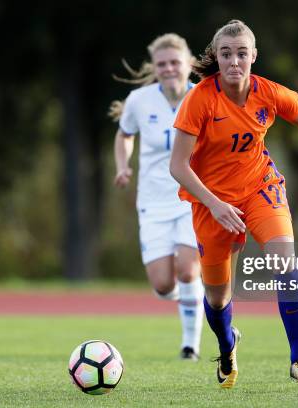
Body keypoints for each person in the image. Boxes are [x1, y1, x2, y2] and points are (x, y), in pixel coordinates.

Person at [169, 20, 298, 389]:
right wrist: (213, 203)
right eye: (226, 53)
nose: (234, 61)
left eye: (242, 53)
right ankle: (227, 348)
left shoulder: (270, 92)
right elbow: (177, 166)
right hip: (211, 203)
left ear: (253, 56)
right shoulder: (199, 100)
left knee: (285, 266)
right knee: (216, 298)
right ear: (218, 56)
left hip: (261, 188)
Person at [109, 33, 204, 361]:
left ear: (189, 63)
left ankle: (190, 345)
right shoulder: (139, 100)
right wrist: (122, 166)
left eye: (174, 62)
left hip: (193, 198)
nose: (168, 68)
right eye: (161, 64)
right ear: (154, 67)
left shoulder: (203, 96)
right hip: (152, 201)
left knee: (189, 271)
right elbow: (124, 135)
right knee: (163, 285)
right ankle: (196, 301)